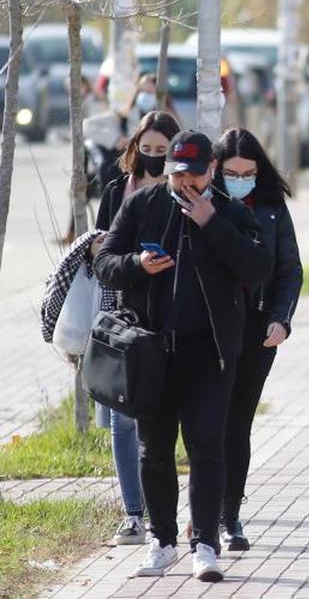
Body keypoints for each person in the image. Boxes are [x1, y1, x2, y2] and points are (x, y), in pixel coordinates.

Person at [94, 130, 271, 583]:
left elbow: (256, 268)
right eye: (177, 174)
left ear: (211, 170)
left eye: (193, 174)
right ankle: (162, 541)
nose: (184, 183)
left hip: (209, 353)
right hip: (152, 351)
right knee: (153, 452)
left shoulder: (230, 212)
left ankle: (206, 544)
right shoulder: (144, 205)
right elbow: (105, 261)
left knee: (207, 447)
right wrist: (137, 264)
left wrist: (212, 223)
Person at [212, 129, 303, 552]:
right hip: (209, 328)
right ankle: (204, 511)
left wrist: (281, 319)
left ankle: (229, 515)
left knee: (238, 422)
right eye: (232, 173)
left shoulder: (270, 207)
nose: (240, 180)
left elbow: (290, 269)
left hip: (257, 328)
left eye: (248, 173)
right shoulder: (203, 203)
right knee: (207, 421)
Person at [92, 111, 181, 547]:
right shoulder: (117, 190)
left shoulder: (188, 194)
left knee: (164, 422)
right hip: (124, 315)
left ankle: (168, 508)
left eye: (162, 153)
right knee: (122, 421)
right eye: (145, 151)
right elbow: (103, 252)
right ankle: (134, 512)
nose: (152, 160)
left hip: (173, 319)